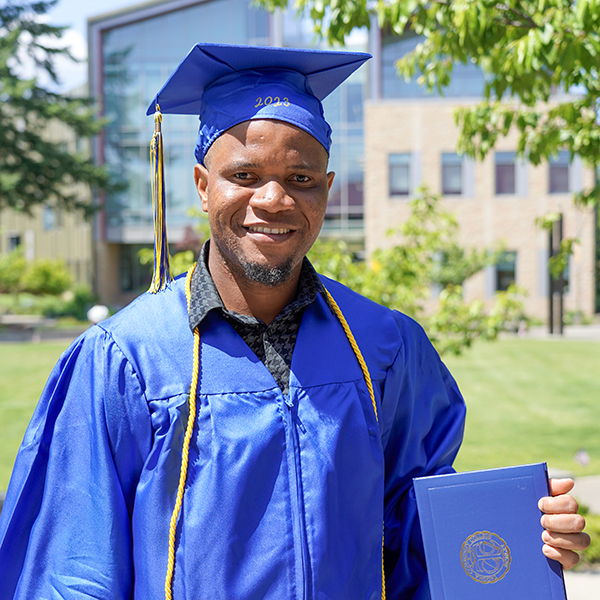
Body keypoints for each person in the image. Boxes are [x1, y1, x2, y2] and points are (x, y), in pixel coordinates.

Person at [0, 43, 589, 600]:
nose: (275, 199)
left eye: (301, 179)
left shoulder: (384, 346)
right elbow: (70, 569)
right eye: (245, 176)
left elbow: (420, 528)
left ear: (326, 192)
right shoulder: (123, 359)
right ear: (203, 186)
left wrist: (519, 533)